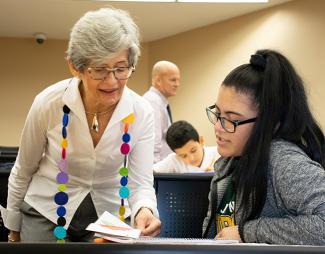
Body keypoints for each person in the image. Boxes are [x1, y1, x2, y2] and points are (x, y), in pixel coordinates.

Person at [0, 7, 161, 242]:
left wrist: (144, 209)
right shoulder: (48, 102)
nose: (112, 80)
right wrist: (13, 228)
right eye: (99, 69)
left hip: (109, 215)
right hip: (46, 209)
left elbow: (141, 182)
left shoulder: (141, 112)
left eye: (121, 68)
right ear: (75, 67)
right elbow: (23, 169)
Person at [202, 49, 325, 245]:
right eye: (217, 114)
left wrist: (248, 232)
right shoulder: (227, 163)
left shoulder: (285, 163)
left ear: (268, 122)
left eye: (232, 119)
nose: (218, 127)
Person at [143, 61, 181, 163]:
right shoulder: (152, 102)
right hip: (157, 169)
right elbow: (153, 143)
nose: (177, 84)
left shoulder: (159, 102)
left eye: (178, 80)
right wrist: (156, 173)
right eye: (173, 80)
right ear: (158, 80)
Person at [153, 120, 220, 173]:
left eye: (193, 150)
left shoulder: (219, 154)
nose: (191, 159)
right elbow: (149, 172)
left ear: (201, 141)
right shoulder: (175, 160)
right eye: (183, 156)